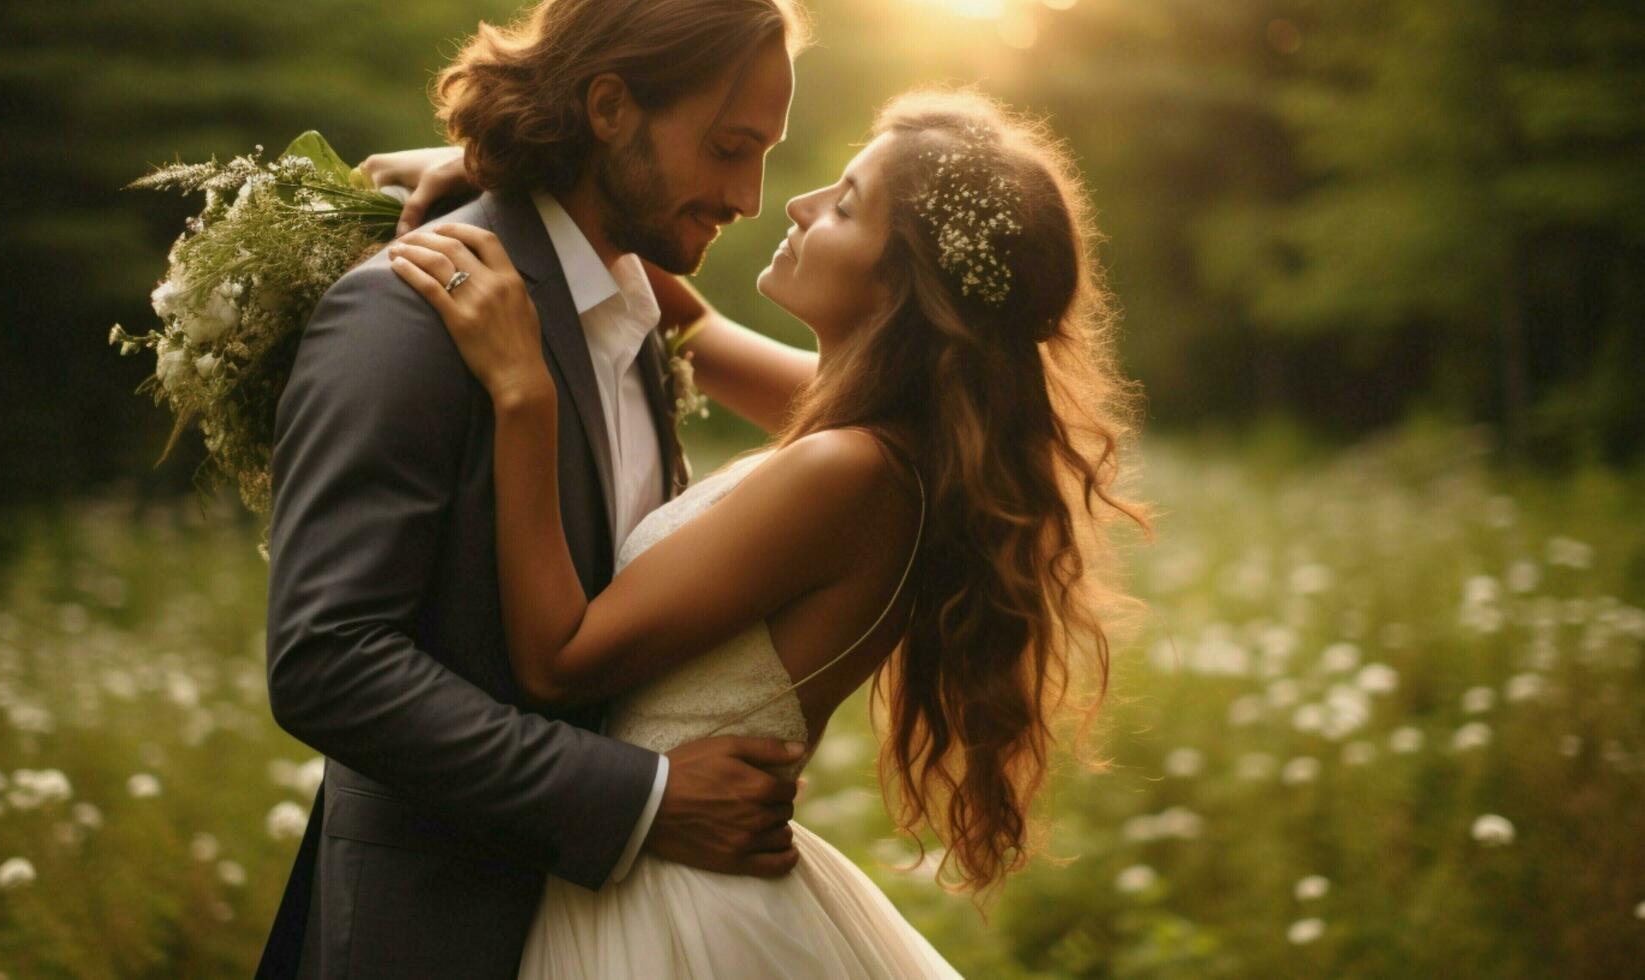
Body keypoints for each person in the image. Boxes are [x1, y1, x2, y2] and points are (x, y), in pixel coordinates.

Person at [383, 86, 1151, 977]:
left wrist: (523, 394)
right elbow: (689, 322)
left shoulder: (848, 472)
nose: (796, 203)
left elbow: (559, 659)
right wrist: (509, 188)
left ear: (900, 286)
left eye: (845, 206)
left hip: (671, 903)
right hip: (662, 870)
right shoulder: (884, 434)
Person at [259, 1, 820, 976]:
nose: (749, 193)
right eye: (730, 146)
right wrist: (640, 795)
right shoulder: (410, 308)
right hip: (436, 932)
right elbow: (328, 659)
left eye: (765, 151)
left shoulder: (640, 320)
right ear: (610, 106)